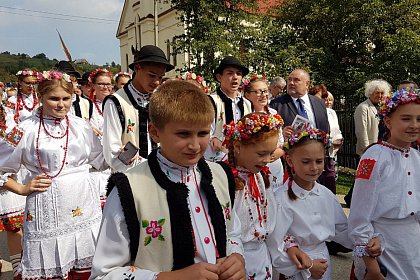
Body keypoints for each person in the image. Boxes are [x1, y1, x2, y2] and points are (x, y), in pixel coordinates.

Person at [90, 80, 245, 280]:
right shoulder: (129, 189)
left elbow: (232, 231)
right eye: (183, 134)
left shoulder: (220, 176)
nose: (195, 145)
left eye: (203, 133)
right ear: (155, 132)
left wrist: (237, 257)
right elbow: (104, 274)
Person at [0, 71, 108, 279]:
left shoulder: (81, 126)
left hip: (83, 206)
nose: (61, 104)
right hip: (47, 211)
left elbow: (100, 161)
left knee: (86, 268)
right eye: (54, 98)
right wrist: (22, 188)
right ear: (40, 97)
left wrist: (119, 149)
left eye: (66, 98)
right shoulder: (24, 129)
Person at [267, 128, 381, 280]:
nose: (314, 168)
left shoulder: (326, 195)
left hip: (322, 262)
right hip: (297, 267)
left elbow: (343, 230)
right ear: (290, 160)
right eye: (306, 162)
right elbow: (275, 244)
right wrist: (308, 268)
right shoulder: (281, 199)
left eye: (319, 161)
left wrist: (366, 243)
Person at [223, 112, 308, 279]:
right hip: (235, 261)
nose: (267, 160)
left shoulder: (261, 177)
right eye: (261, 154)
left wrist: (289, 245)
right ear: (238, 147)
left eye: (270, 153)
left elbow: (273, 219)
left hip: (262, 259)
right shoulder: (226, 180)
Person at [348, 89, 420, 280]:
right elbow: (359, 214)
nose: (414, 125)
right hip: (385, 245)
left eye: (419, 119)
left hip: (413, 243)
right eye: (406, 119)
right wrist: (372, 267)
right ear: (388, 121)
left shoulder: (416, 157)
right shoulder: (374, 156)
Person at [102, 45, 174, 172]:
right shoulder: (116, 102)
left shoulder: (159, 99)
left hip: (160, 174)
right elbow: (112, 153)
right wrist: (147, 166)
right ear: (137, 68)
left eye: (160, 77)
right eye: (152, 75)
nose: (157, 82)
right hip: (129, 177)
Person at [270, 69, 335, 193]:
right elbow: (272, 134)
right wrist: (281, 134)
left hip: (316, 161)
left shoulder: (319, 103)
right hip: (292, 164)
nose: (291, 83)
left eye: (296, 80)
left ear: (307, 84)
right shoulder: (276, 105)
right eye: (289, 80)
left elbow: (325, 128)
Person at [205, 56, 253, 162]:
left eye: (239, 73)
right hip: (216, 158)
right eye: (230, 73)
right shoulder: (211, 100)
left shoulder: (247, 104)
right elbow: (203, 128)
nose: (235, 77)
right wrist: (212, 138)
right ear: (219, 77)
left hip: (240, 158)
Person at [243, 75, 284, 188]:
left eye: (265, 91)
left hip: (273, 163)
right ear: (247, 95)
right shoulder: (244, 116)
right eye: (258, 92)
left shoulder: (273, 113)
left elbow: (281, 140)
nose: (263, 95)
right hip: (252, 165)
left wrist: (280, 151)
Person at [0, 100, 26, 278]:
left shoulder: (11, 120)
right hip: (7, 181)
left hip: (8, 182)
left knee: (14, 226)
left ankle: (18, 270)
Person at [354, 79, 391, 156]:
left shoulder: (385, 107)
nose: (380, 95)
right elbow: (361, 132)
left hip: (384, 147)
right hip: (370, 149)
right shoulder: (363, 107)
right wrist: (367, 150)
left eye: (382, 93)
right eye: (377, 93)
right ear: (370, 93)